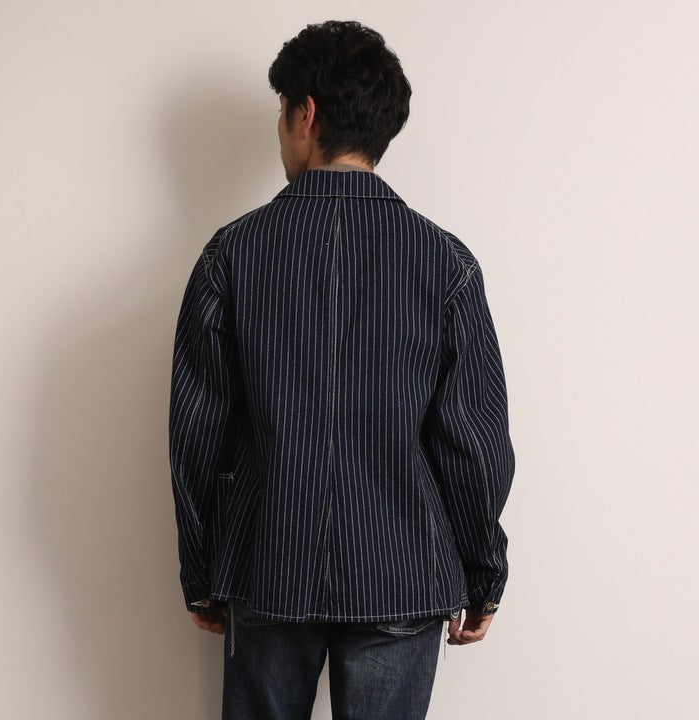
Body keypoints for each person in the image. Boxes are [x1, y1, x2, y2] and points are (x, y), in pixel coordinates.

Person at [168, 19, 515, 720]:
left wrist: (203, 572)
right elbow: (474, 443)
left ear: (306, 114)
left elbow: (197, 434)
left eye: (281, 112)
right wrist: (484, 572)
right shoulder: (445, 262)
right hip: (402, 569)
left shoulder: (230, 255)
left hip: (269, 564)